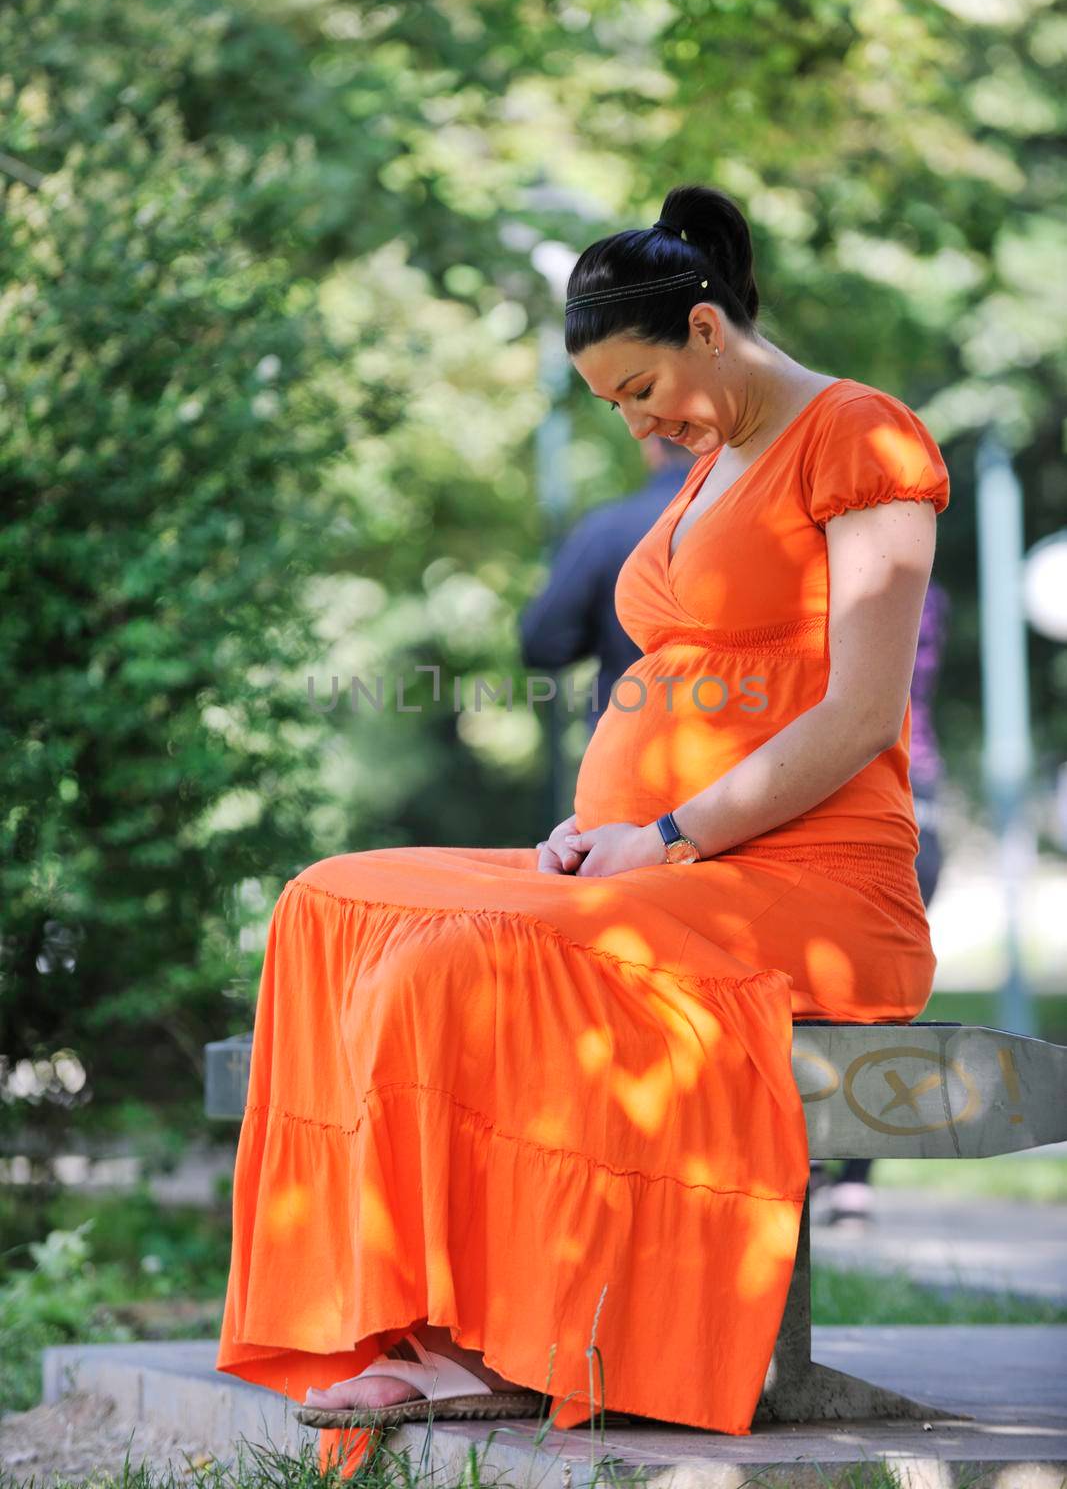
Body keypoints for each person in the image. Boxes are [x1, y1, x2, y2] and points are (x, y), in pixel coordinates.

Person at [214, 184, 951, 1465]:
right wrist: (595, 827)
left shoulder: (861, 437)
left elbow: (853, 713)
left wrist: (663, 834)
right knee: (331, 897)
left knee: (453, 958)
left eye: (637, 386)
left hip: (807, 885)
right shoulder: (711, 457)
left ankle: (470, 1342)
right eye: (612, 401)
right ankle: (403, 1308)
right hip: (652, 859)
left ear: (707, 329)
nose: (634, 420)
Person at [822, 577, 951, 1224]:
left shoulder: (830, 587)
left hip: (860, 801)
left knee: (837, 986)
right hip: (917, 792)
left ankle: (833, 1164)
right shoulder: (927, 589)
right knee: (874, 992)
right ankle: (851, 1176)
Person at [518, 434, 692, 734]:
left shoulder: (606, 529)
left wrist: (608, 632)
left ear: (651, 448)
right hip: (745, 735)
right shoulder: (756, 520)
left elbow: (542, 642)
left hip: (628, 737)